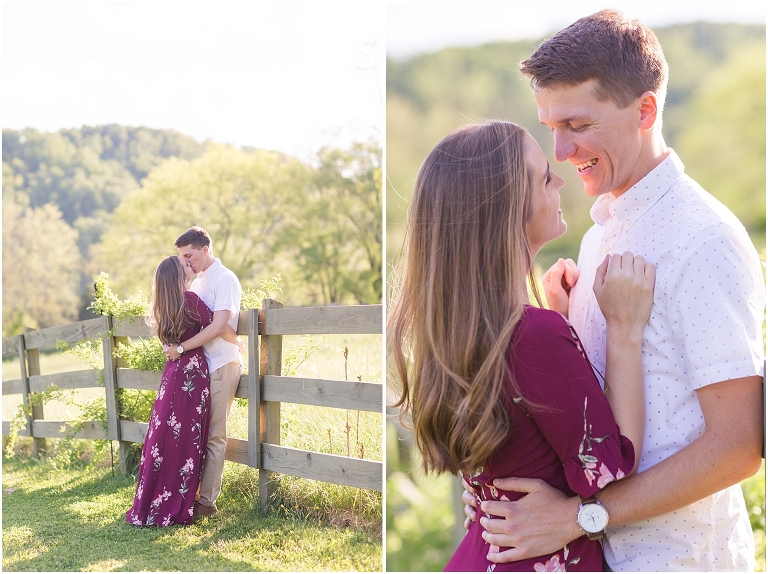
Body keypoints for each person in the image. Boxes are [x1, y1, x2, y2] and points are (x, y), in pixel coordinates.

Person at [462, 10, 764, 571]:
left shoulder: (704, 241)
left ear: (645, 110)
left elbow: (738, 446)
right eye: (550, 126)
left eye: (577, 125)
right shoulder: (600, 234)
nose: (559, 151)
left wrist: (581, 516)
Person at [388, 120, 657, 571]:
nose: (560, 180)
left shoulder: (457, 333)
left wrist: (565, 327)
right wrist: (623, 329)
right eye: (544, 176)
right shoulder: (534, 334)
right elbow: (612, 463)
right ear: (506, 208)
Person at [125, 256, 241, 527]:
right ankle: (181, 499)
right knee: (187, 437)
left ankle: (155, 498)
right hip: (192, 374)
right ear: (179, 278)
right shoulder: (190, 301)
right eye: (184, 266)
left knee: (165, 434)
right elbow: (219, 327)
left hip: (172, 376)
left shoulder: (161, 307)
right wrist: (238, 341)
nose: (188, 266)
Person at [165, 226, 243, 520]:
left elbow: (219, 326)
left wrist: (182, 348)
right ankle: (190, 495)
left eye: (189, 255)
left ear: (205, 250)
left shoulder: (225, 279)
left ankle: (207, 502)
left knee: (214, 435)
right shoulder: (197, 283)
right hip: (197, 371)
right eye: (182, 257)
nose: (186, 262)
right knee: (194, 434)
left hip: (222, 364)